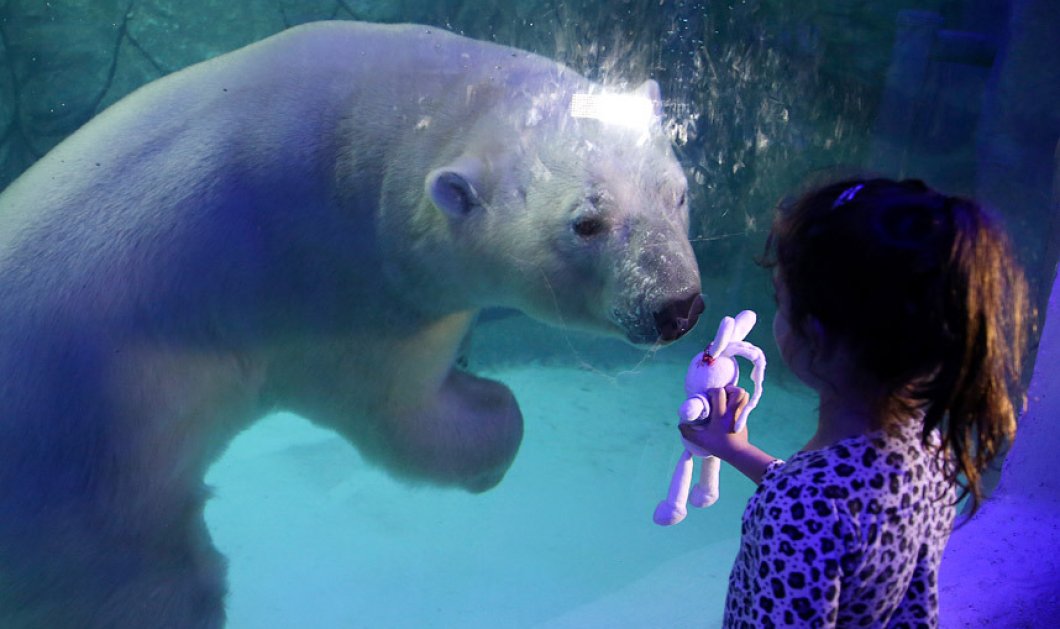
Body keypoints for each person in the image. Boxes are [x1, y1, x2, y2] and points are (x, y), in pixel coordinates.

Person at [680, 177, 1033, 628]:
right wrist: (737, 450)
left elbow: (813, 514)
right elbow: (839, 503)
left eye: (781, 302)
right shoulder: (931, 450)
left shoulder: (799, 513)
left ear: (815, 334)